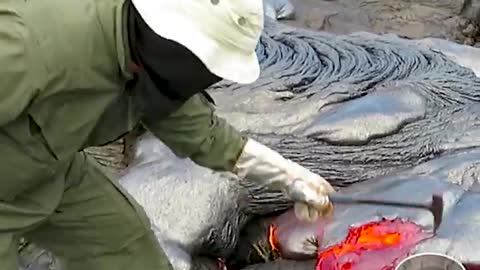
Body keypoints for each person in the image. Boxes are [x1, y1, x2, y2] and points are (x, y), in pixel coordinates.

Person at [0, 0, 335, 269]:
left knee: (126, 248)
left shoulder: (151, 63)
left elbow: (203, 134)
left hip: (50, 171)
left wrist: (291, 179)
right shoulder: (29, 45)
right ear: (169, 40)